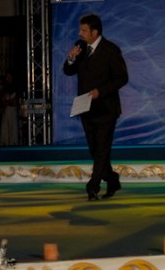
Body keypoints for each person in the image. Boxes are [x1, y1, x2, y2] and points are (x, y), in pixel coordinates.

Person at [63, 13, 128, 201]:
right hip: (86, 108)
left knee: (101, 150)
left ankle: (93, 186)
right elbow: (68, 71)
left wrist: (100, 91)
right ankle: (112, 180)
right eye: (80, 30)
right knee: (95, 150)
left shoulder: (110, 50)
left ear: (95, 32)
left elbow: (122, 78)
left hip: (106, 109)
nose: (80, 33)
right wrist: (71, 57)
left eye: (84, 30)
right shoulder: (82, 49)